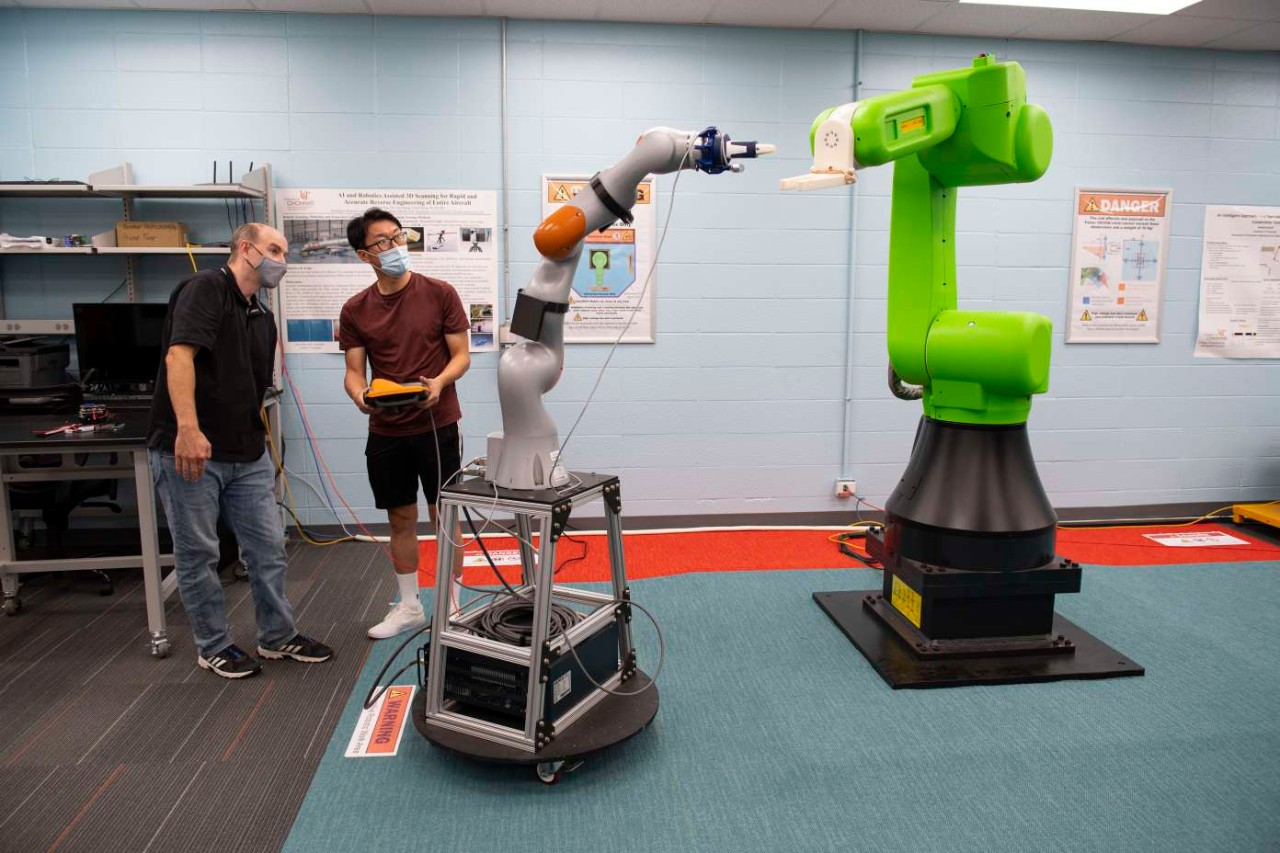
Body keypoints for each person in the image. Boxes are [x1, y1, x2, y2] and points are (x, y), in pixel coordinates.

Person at [149, 222, 333, 679]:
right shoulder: (205, 289)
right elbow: (179, 356)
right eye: (274, 249)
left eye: (285, 252)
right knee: (199, 553)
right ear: (245, 249)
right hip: (193, 450)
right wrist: (188, 430)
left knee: (268, 548)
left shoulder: (261, 316)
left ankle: (276, 637)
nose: (281, 261)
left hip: (246, 452)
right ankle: (212, 645)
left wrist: (260, 443)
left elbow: (252, 387)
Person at [339, 208, 471, 640]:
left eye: (399, 237)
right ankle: (410, 605)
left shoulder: (440, 293)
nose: (396, 247)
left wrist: (440, 381)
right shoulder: (356, 309)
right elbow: (354, 372)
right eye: (383, 242)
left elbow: (461, 356)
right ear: (365, 255)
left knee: (444, 515)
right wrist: (359, 395)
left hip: (437, 424)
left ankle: (452, 605)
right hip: (386, 429)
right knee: (400, 517)